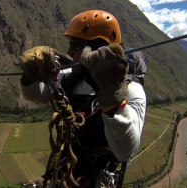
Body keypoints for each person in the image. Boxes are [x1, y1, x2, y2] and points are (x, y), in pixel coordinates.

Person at [20, 10, 147, 187]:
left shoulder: (131, 90)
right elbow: (36, 94)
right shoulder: (72, 77)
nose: (69, 51)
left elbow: (125, 150)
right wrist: (31, 74)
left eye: (76, 45)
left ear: (96, 49)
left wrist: (113, 99)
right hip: (63, 174)